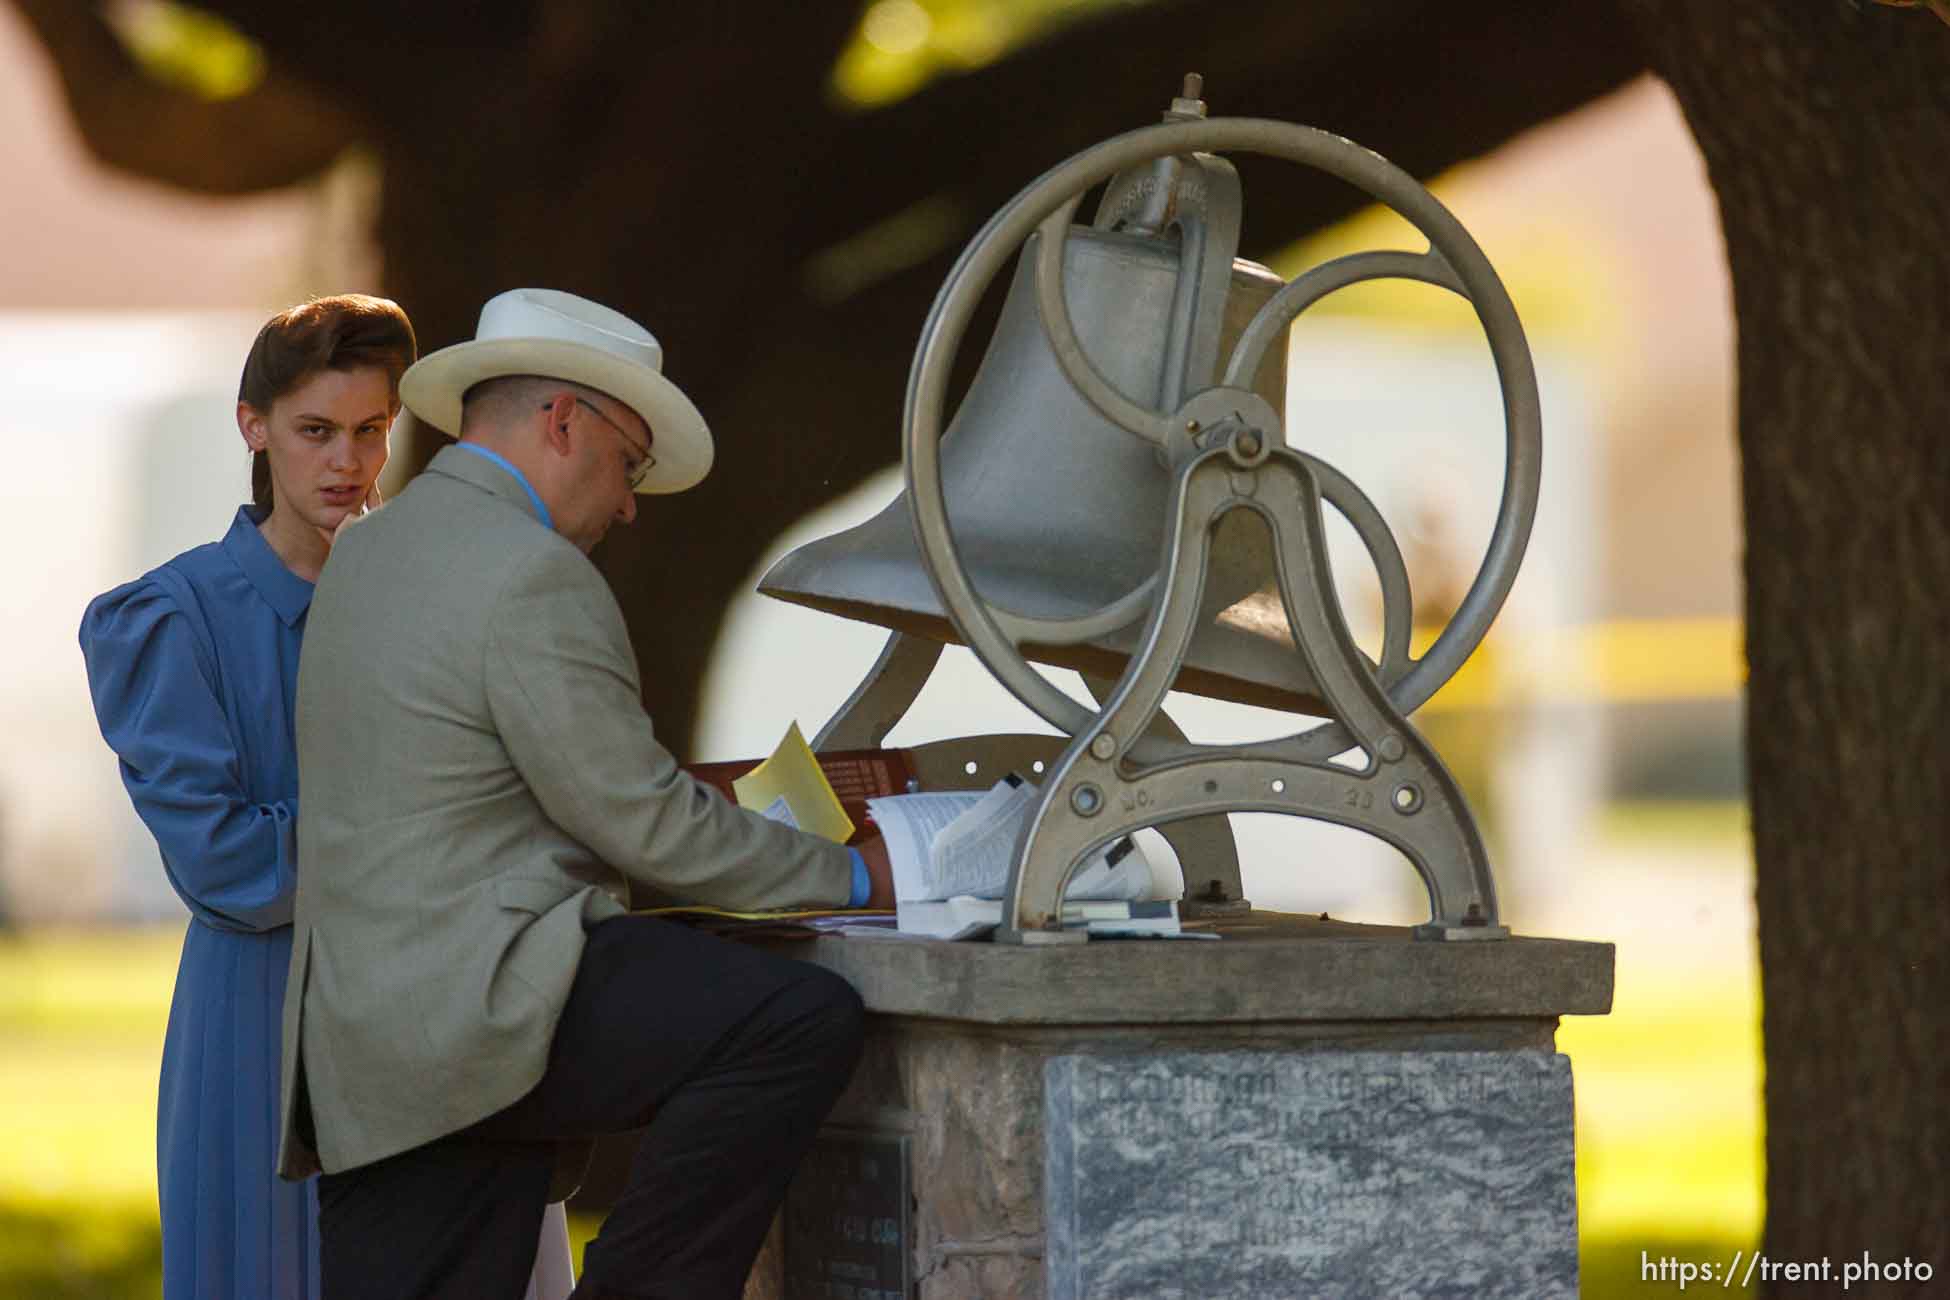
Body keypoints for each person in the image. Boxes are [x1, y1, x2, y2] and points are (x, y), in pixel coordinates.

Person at [277, 287, 895, 1300]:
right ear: (564, 420)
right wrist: (854, 873)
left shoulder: (366, 550)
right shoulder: (531, 573)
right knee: (796, 1020)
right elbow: (642, 819)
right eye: (630, 460)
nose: (628, 501)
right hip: (481, 1006)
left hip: (365, 1046)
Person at [79, 295, 576, 1300]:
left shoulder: (452, 596)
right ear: (252, 425)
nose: (347, 462)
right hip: (263, 1024)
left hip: (448, 1018)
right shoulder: (169, 621)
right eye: (315, 432)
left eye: (370, 430)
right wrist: (439, 844)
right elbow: (230, 864)